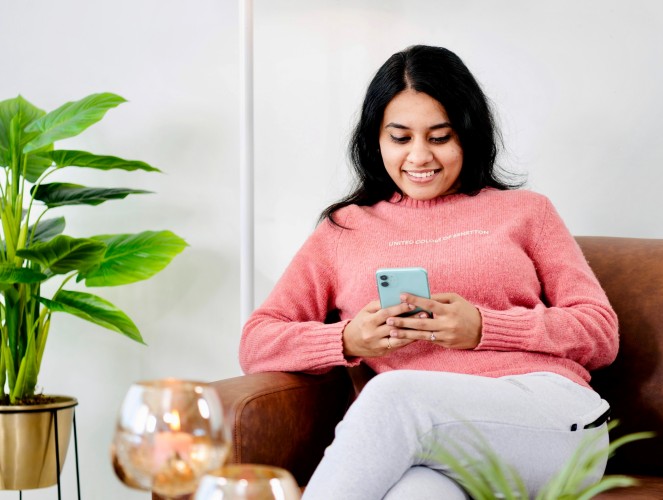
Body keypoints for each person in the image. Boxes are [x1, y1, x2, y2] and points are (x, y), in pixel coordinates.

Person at [240, 45, 618, 499]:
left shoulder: (527, 212)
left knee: (395, 395)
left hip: (549, 420)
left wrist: (484, 327)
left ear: (468, 134)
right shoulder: (343, 230)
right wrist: (347, 340)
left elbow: (600, 331)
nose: (419, 156)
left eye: (439, 137)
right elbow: (257, 342)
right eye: (400, 138)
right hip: (433, 441)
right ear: (375, 139)